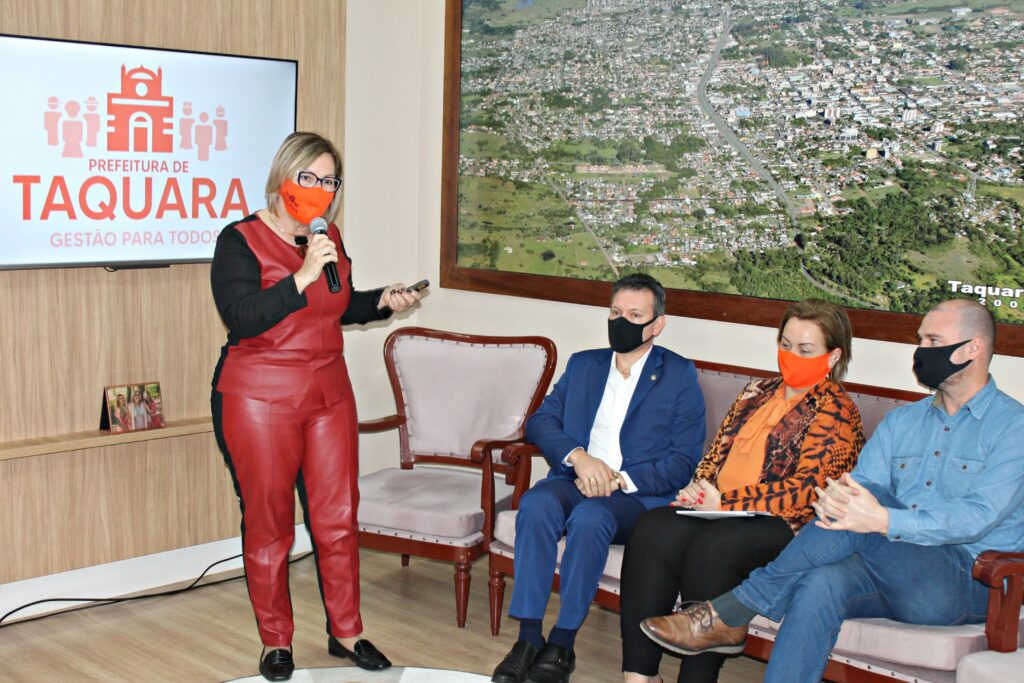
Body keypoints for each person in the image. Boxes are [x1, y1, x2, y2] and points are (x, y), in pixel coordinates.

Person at [640, 299, 1024, 683]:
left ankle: (731, 611)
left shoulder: (1013, 426)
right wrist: (859, 510)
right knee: (820, 581)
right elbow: (857, 492)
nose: (921, 350)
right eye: (920, 339)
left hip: (967, 580)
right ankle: (735, 620)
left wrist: (883, 519)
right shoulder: (902, 421)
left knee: (863, 503)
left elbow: (977, 517)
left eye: (933, 340)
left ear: (972, 349)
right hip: (889, 568)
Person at [210, 132, 420, 682]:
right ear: (284, 176)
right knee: (270, 524)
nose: (320, 189)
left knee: (337, 519)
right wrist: (301, 275)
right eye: (309, 177)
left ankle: (346, 632)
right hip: (261, 395)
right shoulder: (240, 240)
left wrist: (381, 301)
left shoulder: (327, 236)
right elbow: (243, 316)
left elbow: (336, 306)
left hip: (329, 393)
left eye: (329, 181)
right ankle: (276, 641)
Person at [619, 299, 864, 683]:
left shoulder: (837, 411)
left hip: (784, 526)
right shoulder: (756, 392)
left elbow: (810, 492)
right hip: (721, 510)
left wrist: (727, 503)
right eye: (786, 345)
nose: (791, 356)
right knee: (652, 527)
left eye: (805, 350)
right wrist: (698, 490)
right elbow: (715, 456)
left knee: (715, 545)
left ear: (833, 356)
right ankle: (639, 676)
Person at [491, 273, 707, 683]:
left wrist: (619, 479)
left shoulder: (678, 375)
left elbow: (683, 462)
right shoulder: (584, 364)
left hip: (634, 498)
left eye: (634, 315)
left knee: (591, 517)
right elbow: (540, 421)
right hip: (575, 479)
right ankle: (528, 639)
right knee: (536, 504)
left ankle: (562, 643)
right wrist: (580, 459)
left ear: (657, 325)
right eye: (615, 312)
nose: (621, 322)